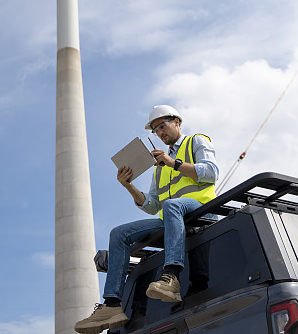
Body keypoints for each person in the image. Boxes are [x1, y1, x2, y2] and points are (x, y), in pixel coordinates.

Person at [74, 105, 219, 334]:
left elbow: (211, 173)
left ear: (177, 122)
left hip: (201, 209)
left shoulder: (196, 141)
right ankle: (112, 304)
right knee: (119, 233)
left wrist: (174, 164)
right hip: (171, 218)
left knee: (172, 205)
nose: (160, 133)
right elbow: (152, 206)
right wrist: (128, 185)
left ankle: (171, 277)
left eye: (163, 125)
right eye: (155, 130)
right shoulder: (158, 167)